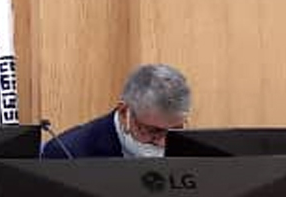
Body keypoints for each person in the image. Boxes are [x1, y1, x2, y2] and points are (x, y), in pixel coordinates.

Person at [43, 63, 190, 158]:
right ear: (124, 112)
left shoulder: (195, 150)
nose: (164, 143)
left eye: (175, 130)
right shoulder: (68, 153)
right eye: (154, 131)